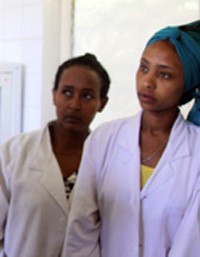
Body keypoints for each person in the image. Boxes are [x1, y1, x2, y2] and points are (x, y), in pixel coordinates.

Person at [63, 20, 200, 257]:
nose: (148, 82)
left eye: (165, 75)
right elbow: (81, 231)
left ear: (187, 84)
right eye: (144, 68)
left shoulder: (196, 150)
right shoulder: (104, 139)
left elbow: (191, 244)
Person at [0, 53, 110, 257]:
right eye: (67, 92)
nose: (75, 105)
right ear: (54, 95)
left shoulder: (109, 161)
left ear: (102, 103)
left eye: (87, 96)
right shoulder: (13, 154)